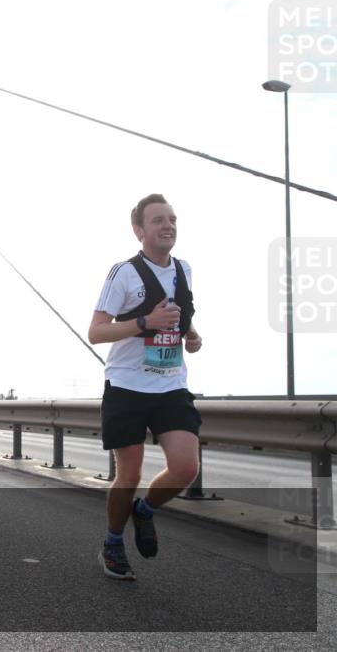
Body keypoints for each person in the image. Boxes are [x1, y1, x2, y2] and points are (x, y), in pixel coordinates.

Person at [88, 193, 203, 581]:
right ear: (139, 230)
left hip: (171, 384)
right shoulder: (124, 273)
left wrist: (191, 333)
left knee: (186, 468)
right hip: (127, 386)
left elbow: (178, 314)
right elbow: (96, 331)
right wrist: (143, 323)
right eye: (158, 220)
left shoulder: (184, 269)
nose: (167, 225)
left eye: (172, 219)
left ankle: (146, 510)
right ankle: (113, 541)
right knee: (129, 476)